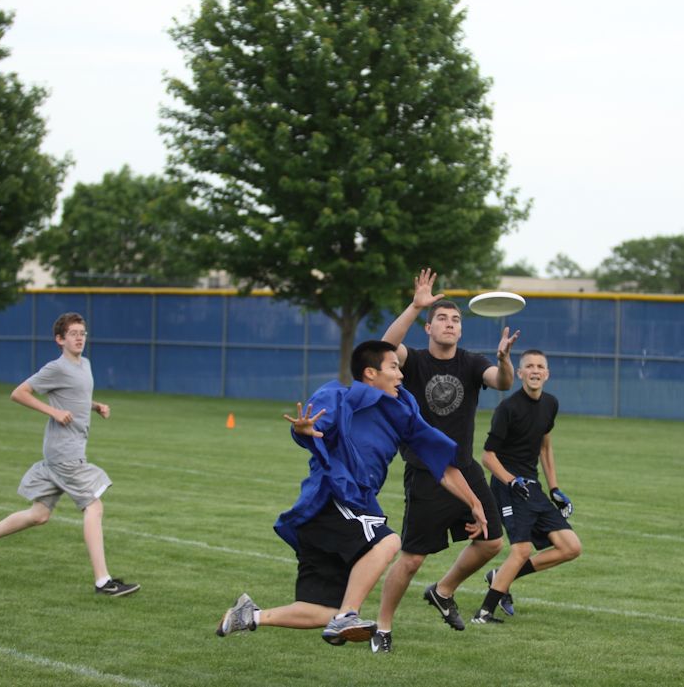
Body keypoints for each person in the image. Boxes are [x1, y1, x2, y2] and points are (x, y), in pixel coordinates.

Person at [215, 340, 487, 650]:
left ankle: (249, 615)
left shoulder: (402, 409)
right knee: (389, 541)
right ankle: (348, 616)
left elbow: (443, 465)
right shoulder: (339, 396)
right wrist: (302, 430)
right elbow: (312, 427)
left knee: (322, 610)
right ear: (370, 373)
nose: (401, 374)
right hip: (333, 498)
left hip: (337, 514)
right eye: (393, 367)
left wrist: (474, 502)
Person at [376, 268, 517, 647]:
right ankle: (383, 627)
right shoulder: (414, 361)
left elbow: (503, 381)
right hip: (426, 472)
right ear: (428, 327)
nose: (450, 324)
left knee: (491, 542)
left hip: (465, 468)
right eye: (441, 318)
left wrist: (505, 359)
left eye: (455, 320)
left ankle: (443, 591)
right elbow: (384, 347)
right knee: (412, 559)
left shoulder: (472, 363)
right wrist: (415, 305)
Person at [0, 312, 139, 597]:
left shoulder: (85, 364)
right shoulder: (56, 368)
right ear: (60, 339)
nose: (79, 338)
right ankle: (103, 581)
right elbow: (19, 393)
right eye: (73, 334)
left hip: (62, 453)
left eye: (82, 333)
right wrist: (53, 411)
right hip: (65, 455)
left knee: (38, 515)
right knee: (94, 506)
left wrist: (95, 406)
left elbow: (76, 395)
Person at [474, 349, 580, 624]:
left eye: (540, 366)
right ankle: (484, 614)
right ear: (520, 373)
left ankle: (500, 577)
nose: (535, 370)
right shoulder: (508, 408)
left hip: (532, 486)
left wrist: (554, 488)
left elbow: (545, 447)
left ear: (547, 374)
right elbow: (488, 457)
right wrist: (511, 480)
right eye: (529, 366)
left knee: (570, 546)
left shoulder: (551, 404)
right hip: (507, 486)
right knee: (521, 550)